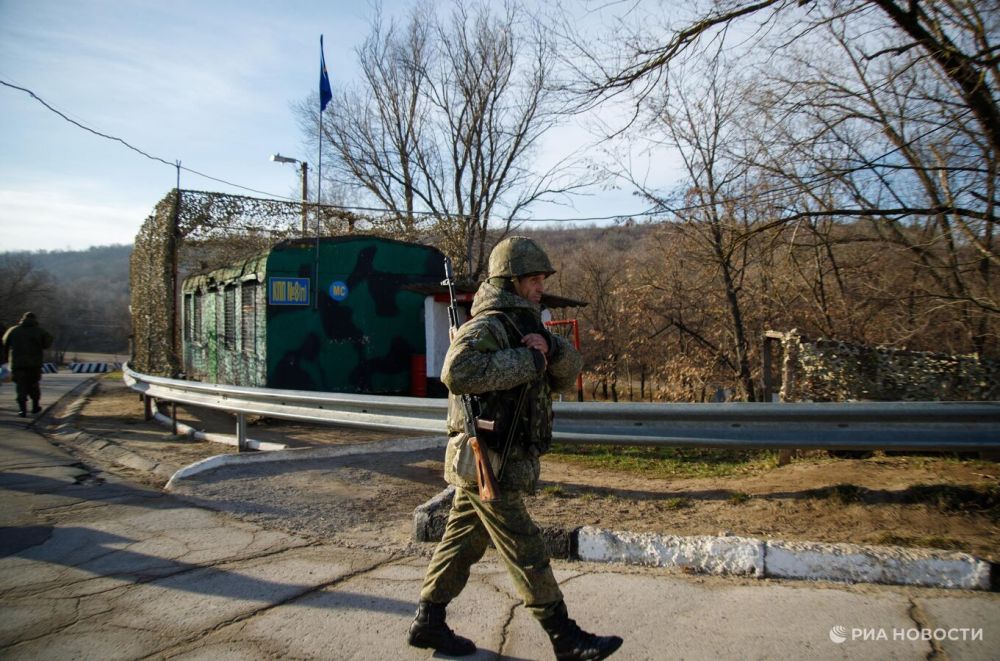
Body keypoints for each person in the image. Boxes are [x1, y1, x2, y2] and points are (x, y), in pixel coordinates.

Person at [408, 237, 623, 660]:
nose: (541, 286)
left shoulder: (528, 324)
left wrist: (551, 350)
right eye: (533, 279)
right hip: (489, 459)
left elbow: (565, 375)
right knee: (526, 547)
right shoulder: (490, 324)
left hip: (496, 459)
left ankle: (428, 622)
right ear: (511, 281)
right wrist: (527, 362)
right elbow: (457, 370)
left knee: (462, 542)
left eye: (543, 278)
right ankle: (565, 638)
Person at [3, 312, 54, 417]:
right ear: (35, 319)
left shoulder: (13, 330)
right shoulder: (40, 331)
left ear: (22, 319)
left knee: (20, 386)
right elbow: (47, 343)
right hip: (34, 365)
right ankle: (35, 407)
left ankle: (22, 410)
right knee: (34, 385)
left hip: (17, 364)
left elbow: (4, 342)